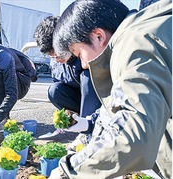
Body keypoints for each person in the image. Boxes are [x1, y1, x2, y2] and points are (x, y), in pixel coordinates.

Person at [49, 0, 172, 178]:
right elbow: (124, 105)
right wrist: (88, 124)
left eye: (79, 53)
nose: (83, 64)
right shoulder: (149, 30)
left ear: (98, 36)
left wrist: (68, 171)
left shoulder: (135, 44)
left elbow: (134, 132)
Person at [34, 16, 101, 147]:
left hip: (98, 100)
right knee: (55, 90)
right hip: (78, 100)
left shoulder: (84, 54)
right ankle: (77, 121)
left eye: (58, 53)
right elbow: (60, 86)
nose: (56, 58)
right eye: (51, 56)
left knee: (87, 76)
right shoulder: (56, 63)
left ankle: (88, 131)